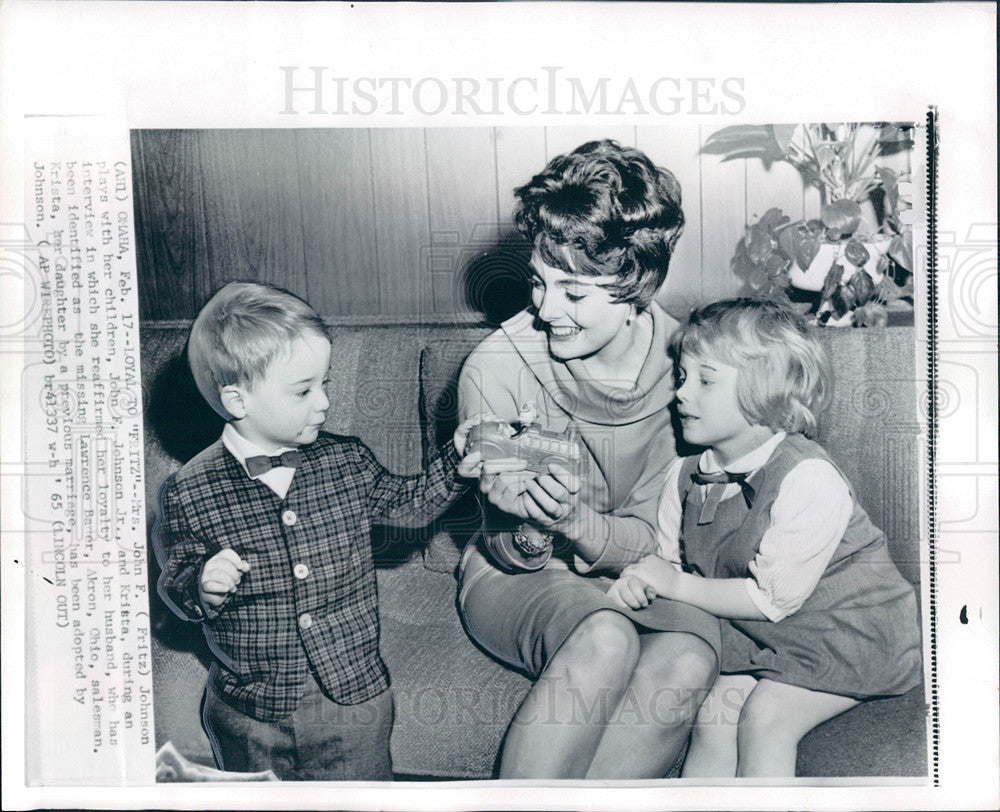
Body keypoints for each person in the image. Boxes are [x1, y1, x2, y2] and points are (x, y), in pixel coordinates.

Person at [456, 140, 721, 779]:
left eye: (574, 293)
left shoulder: (693, 377)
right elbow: (506, 548)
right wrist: (524, 522)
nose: (546, 311)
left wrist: (579, 523)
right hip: (519, 577)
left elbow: (663, 543)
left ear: (637, 285)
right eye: (539, 284)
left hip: (646, 569)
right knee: (605, 636)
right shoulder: (498, 365)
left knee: (689, 657)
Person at [153, 281, 475, 781]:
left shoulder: (347, 460)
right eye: (304, 390)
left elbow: (409, 505)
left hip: (352, 696)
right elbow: (174, 579)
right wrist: (200, 583)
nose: (324, 402)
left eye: (325, 382)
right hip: (247, 707)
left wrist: (457, 460)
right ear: (238, 399)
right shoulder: (186, 490)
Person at [608, 298, 922, 777]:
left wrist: (676, 586)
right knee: (714, 716)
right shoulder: (683, 476)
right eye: (682, 377)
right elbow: (672, 565)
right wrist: (645, 584)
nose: (681, 394)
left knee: (766, 718)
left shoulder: (808, 477)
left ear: (764, 390)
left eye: (705, 380)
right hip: (769, 640)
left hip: (848, 634)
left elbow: (771, 599)